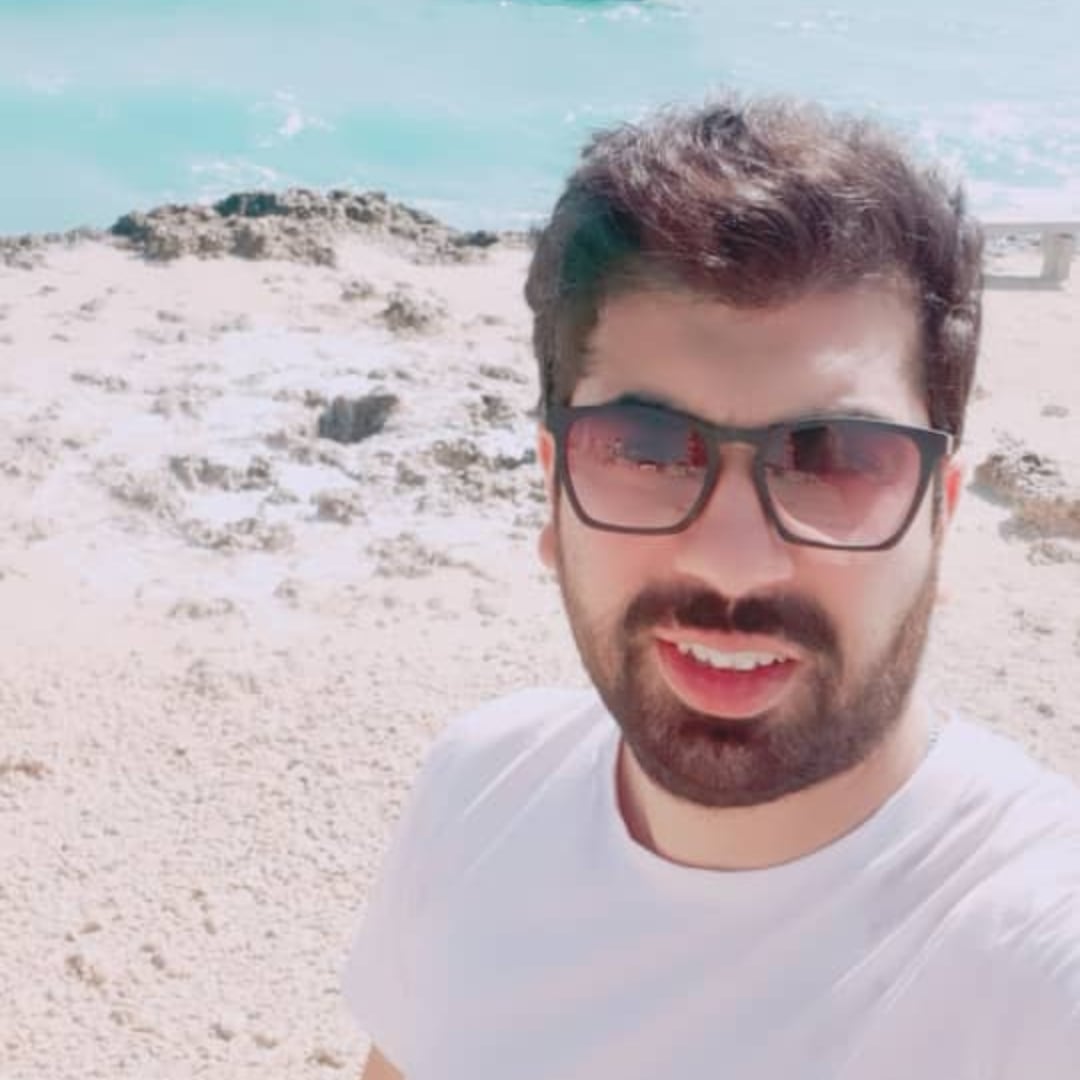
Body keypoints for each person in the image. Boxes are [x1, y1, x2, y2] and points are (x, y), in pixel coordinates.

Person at [342, 96, 1080, 1079]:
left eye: (834, 457)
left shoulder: (1039, 966)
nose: (732, 562)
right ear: (553, 494)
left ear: (940, 520)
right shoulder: (481, 786)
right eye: (645, 450)